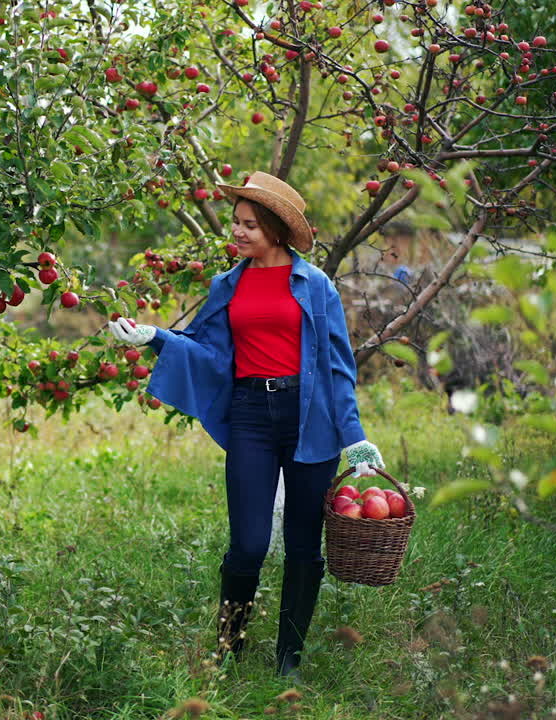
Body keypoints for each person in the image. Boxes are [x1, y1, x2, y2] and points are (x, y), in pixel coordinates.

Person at [107, 170, 384, 679]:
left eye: (248, 225)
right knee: (249, 544)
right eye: (235, 222)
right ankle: (228, 649)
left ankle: (288, 661)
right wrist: (155, 336)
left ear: (275, 230)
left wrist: (356, 439)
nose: (236, 232)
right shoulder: (227, 285)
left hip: (310, 419)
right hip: (252, 416)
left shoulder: (315, 285)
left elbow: (338, 368)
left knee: (303, 544)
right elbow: (208, 351)